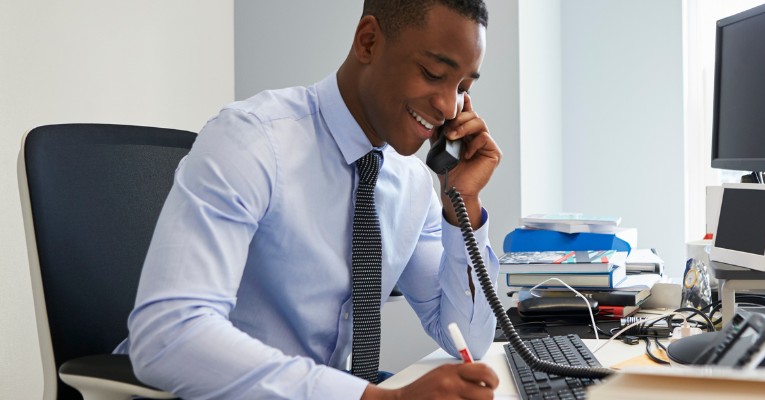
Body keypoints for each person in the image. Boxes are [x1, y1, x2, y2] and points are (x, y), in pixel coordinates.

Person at [117, 1, 502, 398]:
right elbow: (169, 333)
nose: (448, 107)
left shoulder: (414, 184)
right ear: (368, 41)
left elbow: (468, 340)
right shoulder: (251, 142)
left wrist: (463, 205)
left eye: (463, 89)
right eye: (433, 74)